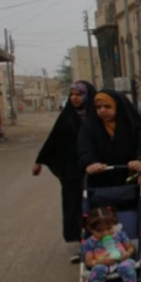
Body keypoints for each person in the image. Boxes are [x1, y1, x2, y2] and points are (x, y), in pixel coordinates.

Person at [78, 90, 141, 268]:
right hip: (104, 181)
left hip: (132, 178)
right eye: (98, 107)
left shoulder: (133, 124)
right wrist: (90, 163)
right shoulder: (89, 127)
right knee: (101, 219)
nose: (102, 110)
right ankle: (104, 255)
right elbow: (83, 149)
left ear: (118, 107)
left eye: (107, 106)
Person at [33, 80, 96, 263]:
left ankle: (103, 242)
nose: (74, 98)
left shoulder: (97, 114)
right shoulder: (67, 116)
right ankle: (83, 245)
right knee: (76, 207)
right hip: (73, 172)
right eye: (72, 94)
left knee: (97, 205)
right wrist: (39, 160)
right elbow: (54, 138)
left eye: (79, 94)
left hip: (94, 168)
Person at [82, 207, 138, 282]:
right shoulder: (90, 243)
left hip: (122, 260)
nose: (106, 233)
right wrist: (100, 261)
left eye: (109, 228)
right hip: (103, 264)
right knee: (97, 270)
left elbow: (130, 248)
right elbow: (89, 261)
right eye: (100, 231)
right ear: (91, 230)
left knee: (126, 266)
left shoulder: (119, 235)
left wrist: (127, 254)